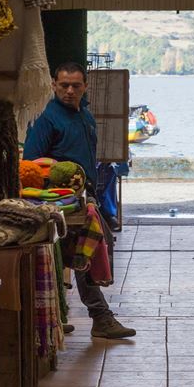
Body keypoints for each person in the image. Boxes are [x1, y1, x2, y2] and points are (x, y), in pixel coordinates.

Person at [24, 62, 136, 340]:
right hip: (61, 203)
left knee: (69, 255)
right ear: (53, 85)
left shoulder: (84, 114)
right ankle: (100, 317)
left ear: (85, 87)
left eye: (76, 85)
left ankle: (58, 318)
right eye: (64, 85)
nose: (70, 90)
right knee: (86, 251)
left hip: (85, 195)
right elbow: (32, 165)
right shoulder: (48, 119)